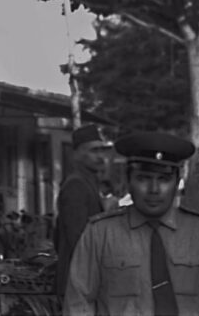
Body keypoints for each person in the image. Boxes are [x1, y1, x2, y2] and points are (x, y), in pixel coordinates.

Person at [64, 132, 199, 316]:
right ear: (129, 181)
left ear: (177, 182)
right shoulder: (100, 234)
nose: (153, 189)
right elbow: (78, 302)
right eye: (143, 178)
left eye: (163, 179)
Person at [54, 124, 115, 298]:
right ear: (77, 154)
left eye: (102, 151)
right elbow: (79, 240)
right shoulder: (76, 185)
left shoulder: (88, 183)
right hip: (80, 283)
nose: (100, 157)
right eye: (93, 151)